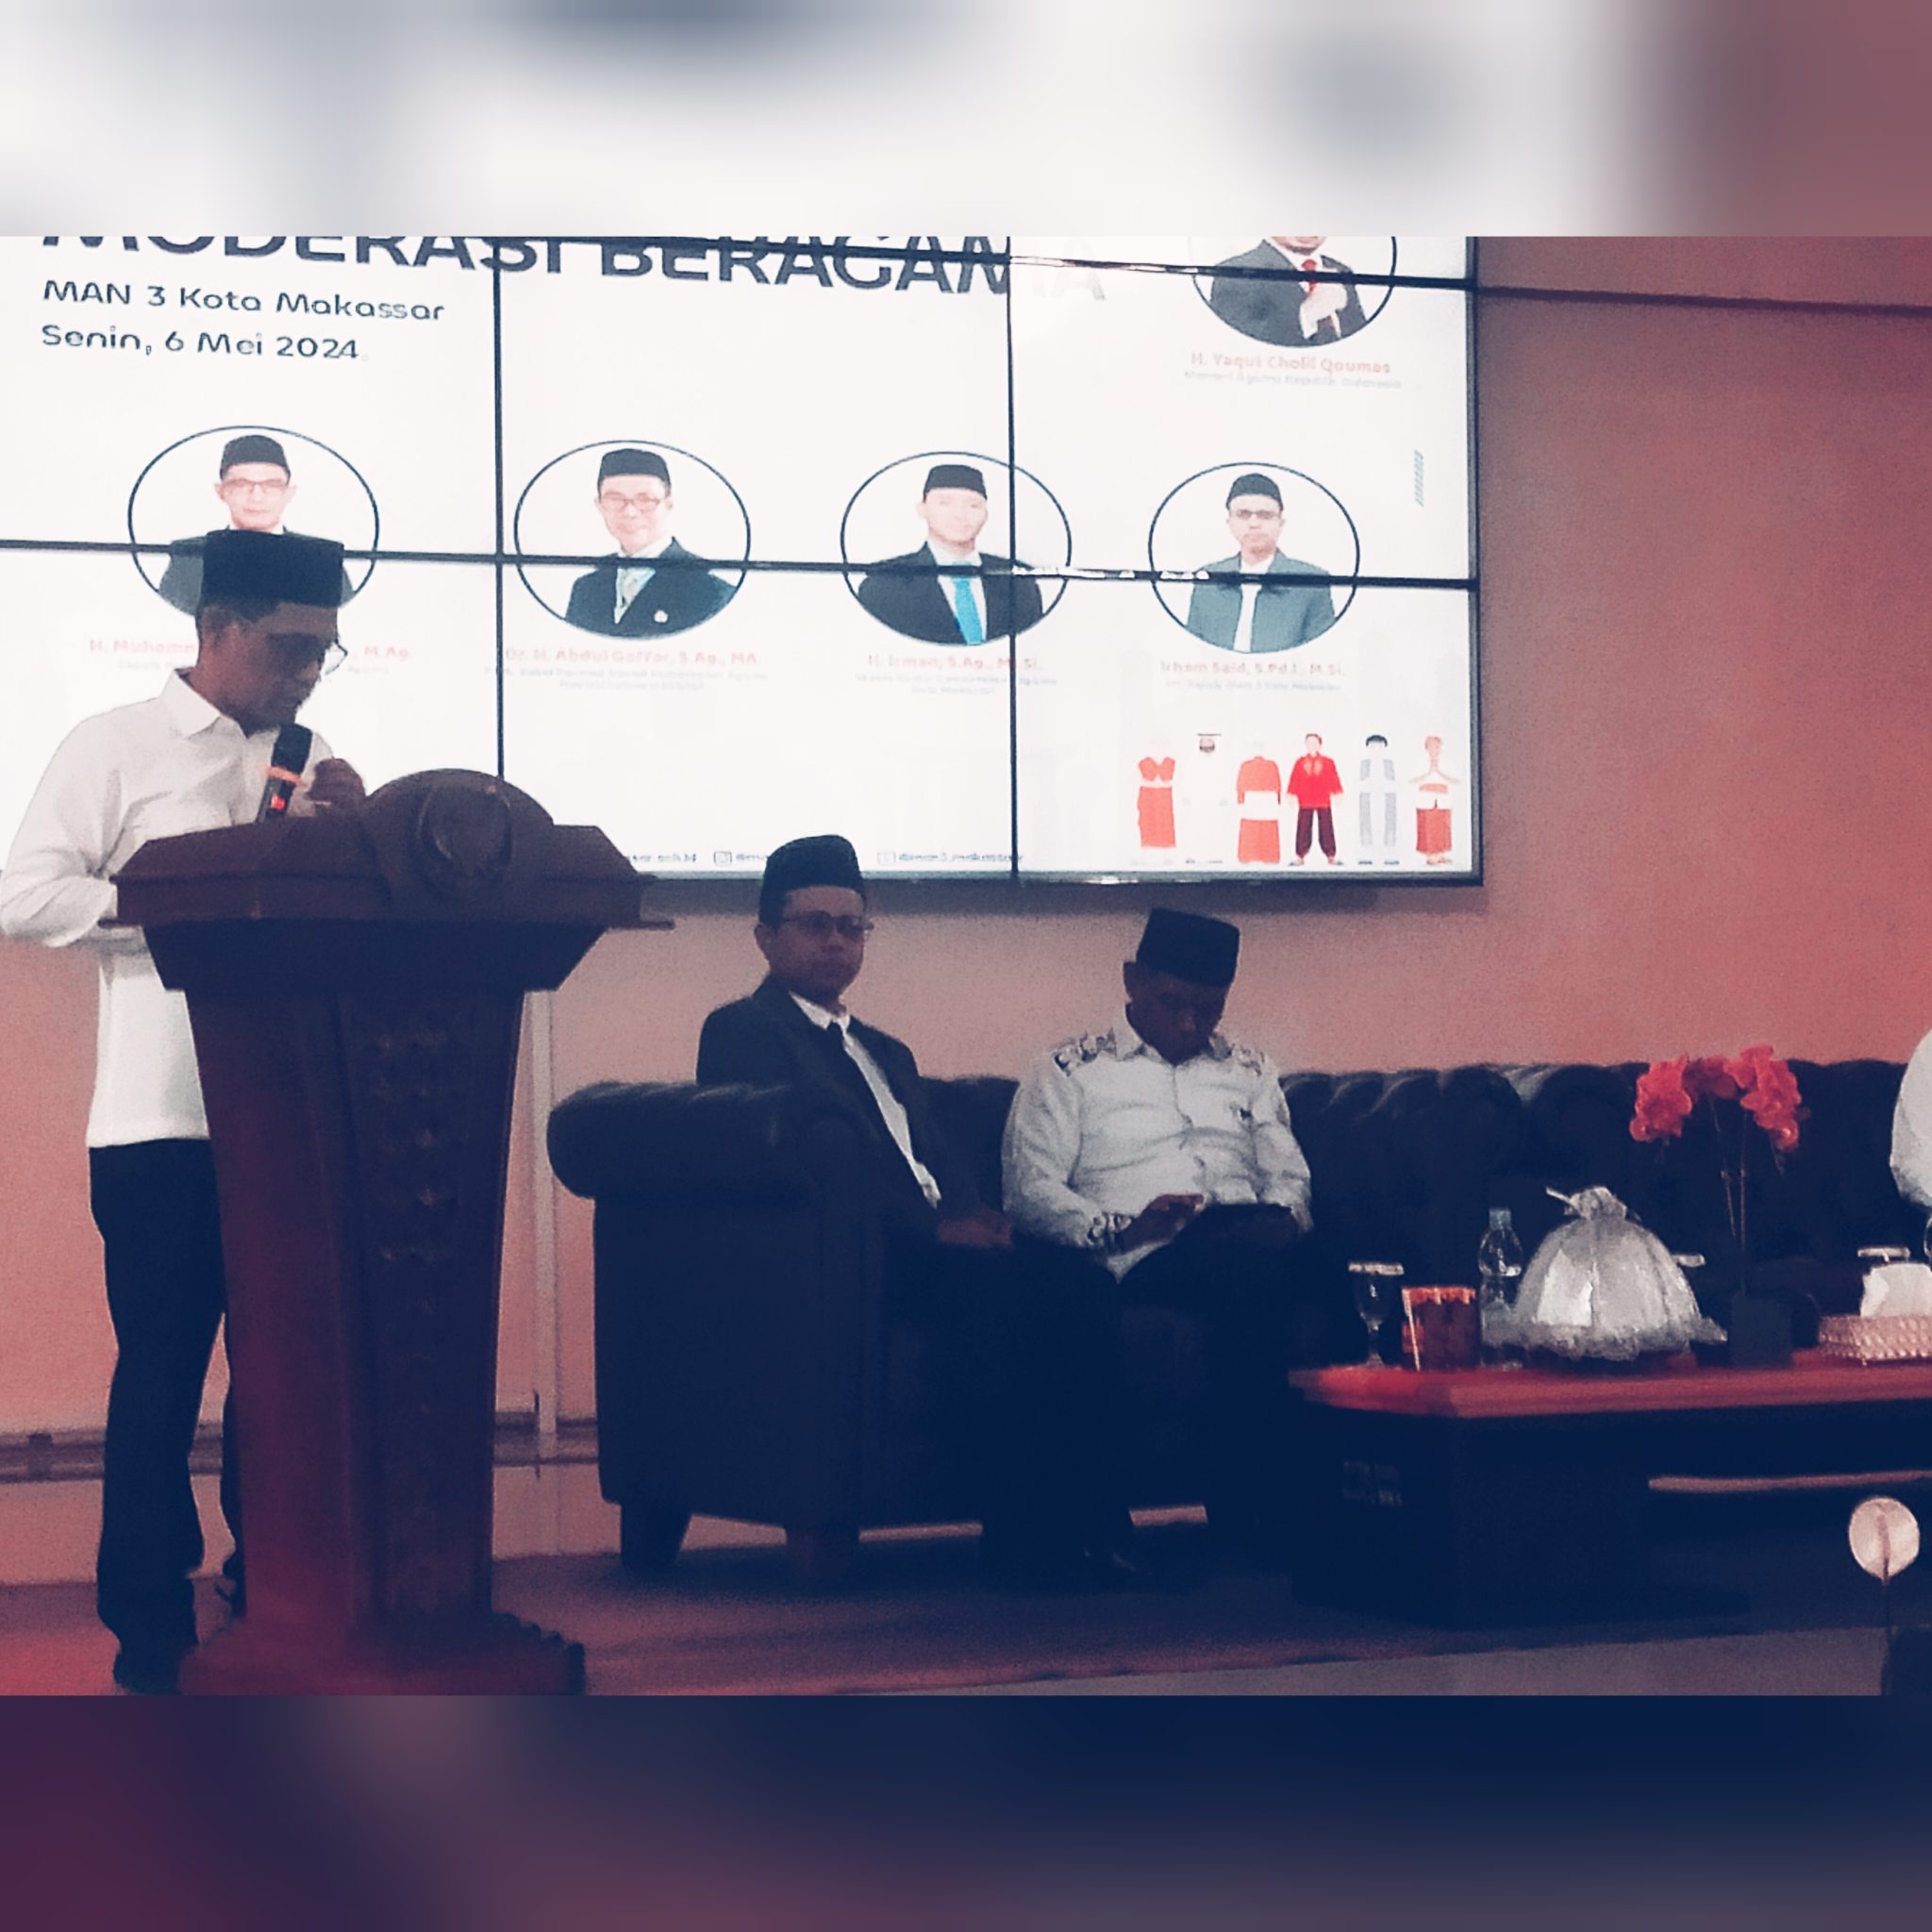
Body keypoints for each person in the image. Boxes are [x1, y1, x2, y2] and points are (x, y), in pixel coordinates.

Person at [0, 529, 367, 1693]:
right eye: (292, 646)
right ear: (217, 629)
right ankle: (150, 1623)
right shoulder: (115, 744)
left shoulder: (310, 758)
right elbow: (24, 892)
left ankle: (280, 1587)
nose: (309, 671)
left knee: (286, 1374)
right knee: (161, 1373)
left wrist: (356, 840)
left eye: (325, 650)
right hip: (160, 1123)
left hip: (291, 1116)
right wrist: (184, 903)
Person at [695, 834, 1135, 1591]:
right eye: (815, 925)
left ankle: (1096, 1526)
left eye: (851, 926)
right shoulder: (744, 1032)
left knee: (1082, 1284)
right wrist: (935, 1229)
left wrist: (977, 1214)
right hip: (859, 1255)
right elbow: (809, 1169)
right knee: (995, 1295)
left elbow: (934, 1157)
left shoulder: (884, 1050)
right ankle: (1019, 1541)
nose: (837, 942)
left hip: (938, 1238)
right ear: (766, 936)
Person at [1002, 909, 1353, 1556]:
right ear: (1132, 981)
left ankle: (1364, 1501)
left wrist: (1285, 1216)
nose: (1190, 1024)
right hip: (1145, 1246)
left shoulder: (1250, 1068)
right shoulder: (1069, 1069)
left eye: (1209, 1009)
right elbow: (1031, 1192)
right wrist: (1119, 1228)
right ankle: (1251, 1512)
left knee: (1351, 1273)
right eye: (1173, 1004)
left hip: (1246, 1227)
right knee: (1248, 1279)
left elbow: (1287, 1171)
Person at [154, 433, 357, 615]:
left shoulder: (322, 560)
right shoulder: (189, 557)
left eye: (272, 485)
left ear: (289, 493)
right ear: (221, 491)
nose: (257, 496)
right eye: (241, 484)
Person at [855, 462, 1045, 645]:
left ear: (986, 513)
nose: (960, 515)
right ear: (922, 508)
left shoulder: (1019, 584)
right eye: (945, 503)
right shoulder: (884, 584)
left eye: (973, 505)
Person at [562, 448, 734, 638]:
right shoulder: (587, 589)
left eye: (645, 500)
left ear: (669, 504)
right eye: (615, 499)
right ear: (600, 506)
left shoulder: (710, 592)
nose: (630, 512)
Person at [1183, 473, 1339, 653]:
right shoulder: (1208, 581)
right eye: (1243, 514)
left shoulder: (1312, 583)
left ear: (1280, 523)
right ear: (1229, 522)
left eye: (1265, 515)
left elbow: (1323, 656)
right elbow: (1191, 653)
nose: (1254, 523)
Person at [1207, 235, 1369, 346]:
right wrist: (1307, 315)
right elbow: (1234, 346)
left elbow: (1360, 342)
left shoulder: (1341, 270)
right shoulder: (1235, 272)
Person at [1288, 733, 1343, 865]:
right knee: (1303, 827)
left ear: (1320, 745)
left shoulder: (1328, 762)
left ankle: (1330, 855)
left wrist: (1337, 792)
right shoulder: (1300, 762)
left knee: (1326, 827)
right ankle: (1300, 855)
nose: (1311, 746)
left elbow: (1333, 778)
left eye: (1314, 743)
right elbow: (1295, 779)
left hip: (1323, 798)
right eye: (1309, 743)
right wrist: (1291, 793)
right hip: (1305, 799)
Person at [1357, 733, 1400, 863]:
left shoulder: (1389, 763)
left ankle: (1389, 855)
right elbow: (1359, 782)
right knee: (1366, 826)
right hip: (1367, 799)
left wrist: (1384, 785)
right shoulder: (1364, 763)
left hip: (1386, 799)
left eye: (1379, 747)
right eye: (1373, 747)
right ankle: (1367, 855)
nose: (1376, 750)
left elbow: (1395, 782)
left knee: (1389, 826)